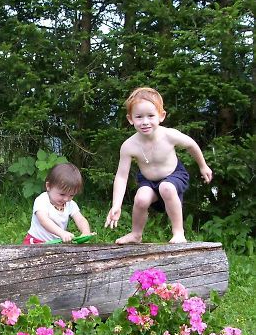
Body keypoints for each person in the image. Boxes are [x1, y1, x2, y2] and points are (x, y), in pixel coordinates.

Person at [105, 87, 213, 244]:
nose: (145, 122)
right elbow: (121, 177)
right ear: (130, 119)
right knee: (141, 199)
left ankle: (178, 233)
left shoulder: (169, 135)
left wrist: (203, 166)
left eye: (150, 116)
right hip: (148, 180)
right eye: (139, 117)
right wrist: (116, 205)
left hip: (174, 175)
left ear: (161, 116)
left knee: (166, 187)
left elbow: (191, 145)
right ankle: (136, 234)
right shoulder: (129, 146)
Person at [23, 163, 92, 244]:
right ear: (48, 186)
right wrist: (62, 233)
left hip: (56, 242)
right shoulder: (42, 200)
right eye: (62, 194)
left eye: (71, 195)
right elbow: (44, 220)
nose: (66, 199)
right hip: (36, 242)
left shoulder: (70, 204)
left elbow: (80, 219)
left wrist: (86, 231)